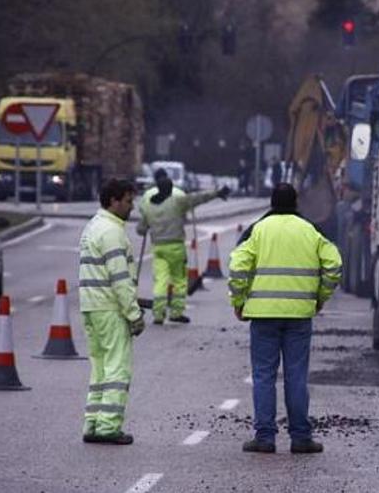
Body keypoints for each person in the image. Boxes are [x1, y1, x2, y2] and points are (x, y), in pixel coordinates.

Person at [228, 184, 342, 454]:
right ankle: (301, 438)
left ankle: (265, 438)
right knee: (296, 377)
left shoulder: (259, 229)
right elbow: (334, 264)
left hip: (264, 317)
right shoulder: (309, 230)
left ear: (271, 202)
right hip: (299, 316)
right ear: (296, 203)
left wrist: (238, 301)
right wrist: (320, 296)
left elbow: (237, 266)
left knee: (264, 376)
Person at [78, 178, 145, 445]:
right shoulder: (112, 232)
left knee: (100, 370)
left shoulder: (93, 227)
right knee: (118, 370)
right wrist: (134, 315)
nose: (132, 206)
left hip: (91, 307)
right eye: (128, 201)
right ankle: (108, 428)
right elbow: (120, 280)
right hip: (110, 309)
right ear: (113, 201)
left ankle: (92, 423)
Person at [136, 169, 230, 324]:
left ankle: (158, 314)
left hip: (158, 248)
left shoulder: (149, 206)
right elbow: (198, 198)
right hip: (175, 247)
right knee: (179, 280)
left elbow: (140, 229)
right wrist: (217, 193)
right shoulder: (177, 202)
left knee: (160, 280)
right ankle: (176, 312)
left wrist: (148, 226)